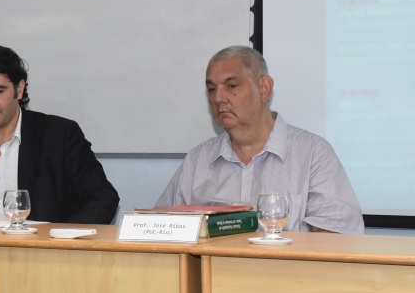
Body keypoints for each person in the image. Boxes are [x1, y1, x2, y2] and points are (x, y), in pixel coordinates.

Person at [156, 45, 364, 233]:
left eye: (231, 86)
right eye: (211, 89)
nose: (218, 98)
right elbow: (157, 229)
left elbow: (338, 238)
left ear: (264, 89)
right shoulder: (197, 161)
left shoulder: (313, 153)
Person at [0, 45, 119, 224]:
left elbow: (102, 198)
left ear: (19, 89)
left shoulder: (60, 135)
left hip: (40, 241)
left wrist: (60, 235)